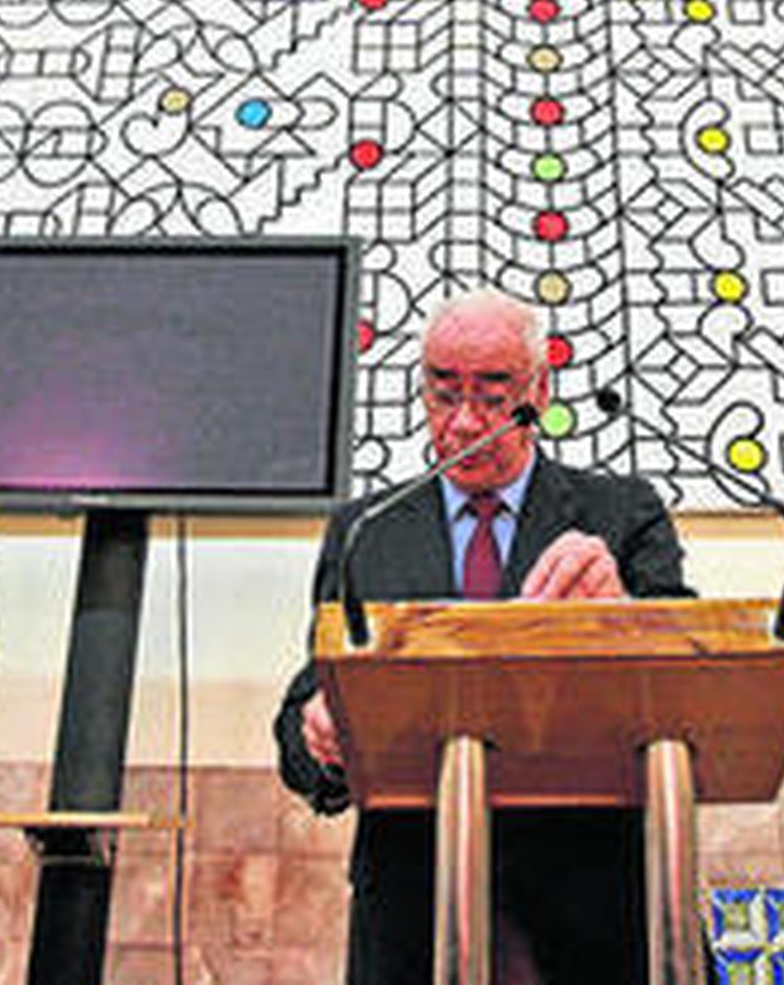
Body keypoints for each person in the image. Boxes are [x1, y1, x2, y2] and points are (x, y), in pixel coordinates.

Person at [273, 288, 693, 984]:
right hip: (415, 908)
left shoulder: (622, 513)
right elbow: (298, 725)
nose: (464, 422)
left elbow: (692, 679)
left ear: (539, 393)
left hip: (594, 904)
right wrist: (321, 738)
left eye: (493, 396)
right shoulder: (366, 531)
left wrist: (620, 613)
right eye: (443, 394)